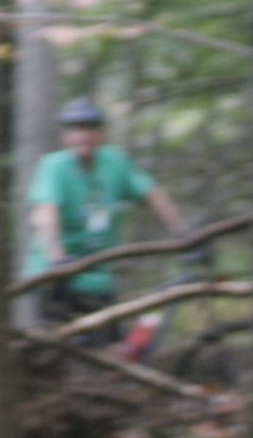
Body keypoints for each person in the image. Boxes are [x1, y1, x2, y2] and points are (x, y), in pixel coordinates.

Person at [24, 97, 189, 329]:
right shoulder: (54, 167)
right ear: (65, 136)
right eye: (75, 129)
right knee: (56, 341)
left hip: (98, 278)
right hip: (55, 277)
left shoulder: (115, 163)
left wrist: (183, 233)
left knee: (108, 344)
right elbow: (45, 214)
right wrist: (57, 258)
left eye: (90, 128)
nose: (83, 135)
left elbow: (153, 194)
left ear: (101, 133)